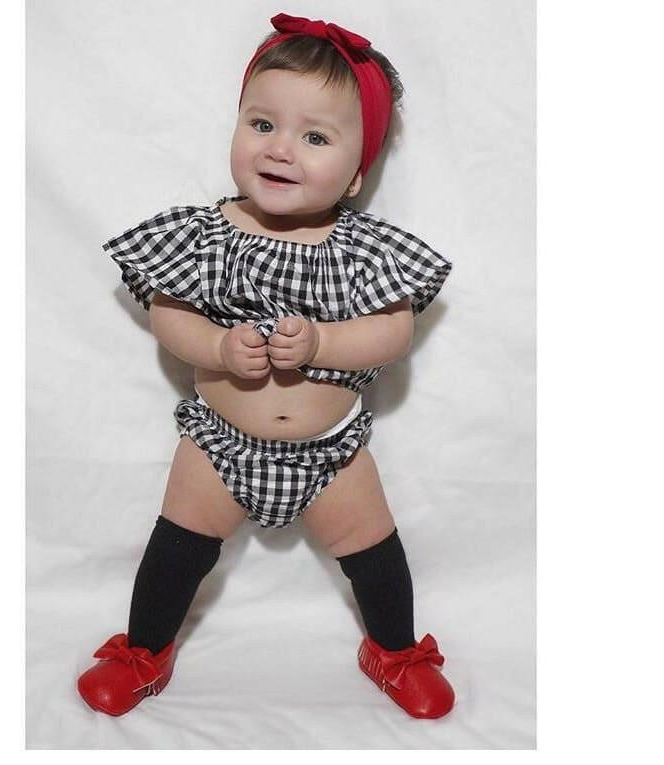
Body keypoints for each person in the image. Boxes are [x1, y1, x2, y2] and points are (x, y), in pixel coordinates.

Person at [78, 12, 454, 719]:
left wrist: (321, 346)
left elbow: (393, 330)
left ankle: (394, 649)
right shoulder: (206, 235)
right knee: (176, 549)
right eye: (262, 124)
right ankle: (143, 649)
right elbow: (169, 315)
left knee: (375, 552)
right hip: (218, 446)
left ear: (356, 175)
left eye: (315, 137)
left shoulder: (364, 250)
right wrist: (217, 348)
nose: (280, 149)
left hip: (330, 452)